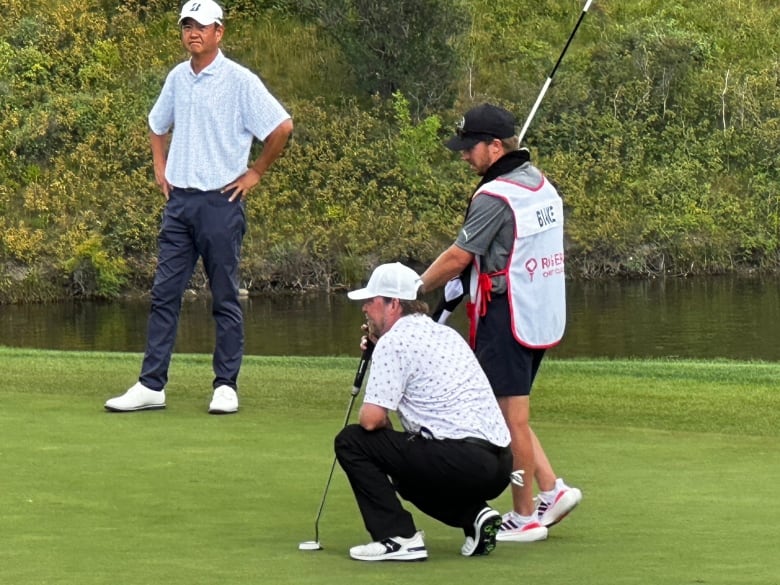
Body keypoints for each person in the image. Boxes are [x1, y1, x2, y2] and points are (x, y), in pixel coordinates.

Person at [105, 0, 293, 414]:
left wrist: (256, 171)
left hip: (221, 201)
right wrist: (160, 166)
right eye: (187, 26)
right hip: (180, 203)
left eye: (201, 26)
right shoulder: (177, 77)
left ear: (218, 32)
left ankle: (225, 385)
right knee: (163, 295)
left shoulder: (240, 80)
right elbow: (157, 124)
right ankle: (151, 384)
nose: (193, 33)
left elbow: (281, 126)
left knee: (224, 296)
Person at [419, 103, 581, 543]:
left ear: (495, 146)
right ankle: (551, 488)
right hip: (537, 313)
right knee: (513, 412)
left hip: (505, 317)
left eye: (471, 148)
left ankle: (525, 513)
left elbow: (458, 257)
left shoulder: (494, 196)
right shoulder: (540, 184)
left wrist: (415, 287)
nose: (464, 156)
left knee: (509, 417)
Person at [335, 262, 513, 561]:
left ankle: (397, 538)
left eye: (372, 301)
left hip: (461, 459)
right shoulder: (445, 334)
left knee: (351, 441)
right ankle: (476, 517)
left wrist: (379, 350)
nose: (365, 308)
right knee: (406, 474)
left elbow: (371, 420)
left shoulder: (394, 342)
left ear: (393, 304)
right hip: (501, 463)